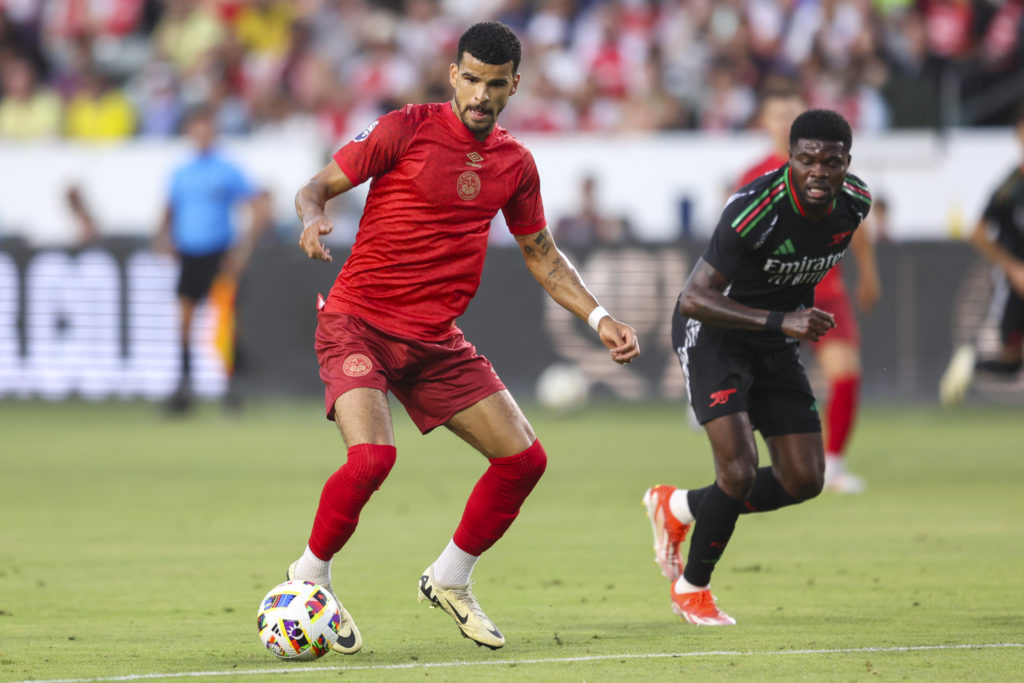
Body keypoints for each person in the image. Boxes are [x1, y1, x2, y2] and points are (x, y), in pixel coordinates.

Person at [288, 21, 640, 654]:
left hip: (434, 339)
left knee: (524, 460)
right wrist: (314, 220)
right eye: (471, 79)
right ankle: (309, 577)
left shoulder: (514, 164)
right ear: (454, 74)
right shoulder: (405, 128)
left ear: (515, 87)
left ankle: (451, 577)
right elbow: (315, 187)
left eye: (495, 85)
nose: (480, 94)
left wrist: (600, 318)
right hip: (358, 321)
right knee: (372, 459)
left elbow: (543, 256)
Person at [643, 109, 871, 626]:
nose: (818, 171)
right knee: (739, 471)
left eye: (830, 162)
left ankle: (677, 507)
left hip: (773, 341)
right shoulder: (754, 209)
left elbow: (800, 266)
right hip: (714, 337)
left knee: (805, 478)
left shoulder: (856, 203)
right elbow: (694, 298)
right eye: (806, 160)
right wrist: (781, 319)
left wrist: (787, 320)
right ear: (790, 159)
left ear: (846, 164)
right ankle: (692, 588)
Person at [733, 84, 880, 493]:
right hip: (772, 297)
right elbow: (733, 240)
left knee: (846, 374)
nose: (783, 123)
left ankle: (833, 465)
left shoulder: (833, 171)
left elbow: (856, 221)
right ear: (764, 123)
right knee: (756, 384)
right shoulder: (752, 175)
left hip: (825, 292)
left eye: (791, 114)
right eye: (776, 115)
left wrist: (868, 273)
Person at [154, 103, 270, 413]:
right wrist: (164, 239)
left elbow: (259, 207)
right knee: (184, 323)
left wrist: (243, 249)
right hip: (190, 255)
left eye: (206, 125)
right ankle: (184, 388)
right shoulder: (181, 172)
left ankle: (232, 390)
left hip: (219, 255)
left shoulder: (227, 169)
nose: (202, 132)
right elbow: (169, 209)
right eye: (196, 126)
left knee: (226, 325)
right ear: (189, 131)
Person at [940, 104, 1024, 405]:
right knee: (1011, 362)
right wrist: (1013, 268)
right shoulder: (1010, 188)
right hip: (1016, 284)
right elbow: (977, 232)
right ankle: (972, 362)